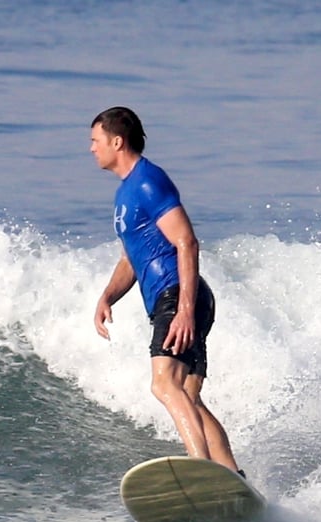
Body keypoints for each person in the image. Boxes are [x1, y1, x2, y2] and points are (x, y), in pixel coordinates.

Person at [89, 106, 243, 476]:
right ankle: (231, 476)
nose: (91, 149)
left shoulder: (147, 181)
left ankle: (201, 471)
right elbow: (132, 258)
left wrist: (185, 310)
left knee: (163, 385)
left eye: (95, 141)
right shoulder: (126, 192)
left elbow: (187, 242)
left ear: (116, 141)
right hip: (179, 297)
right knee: (188, 396)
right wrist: (108, 296)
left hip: (178, 296)